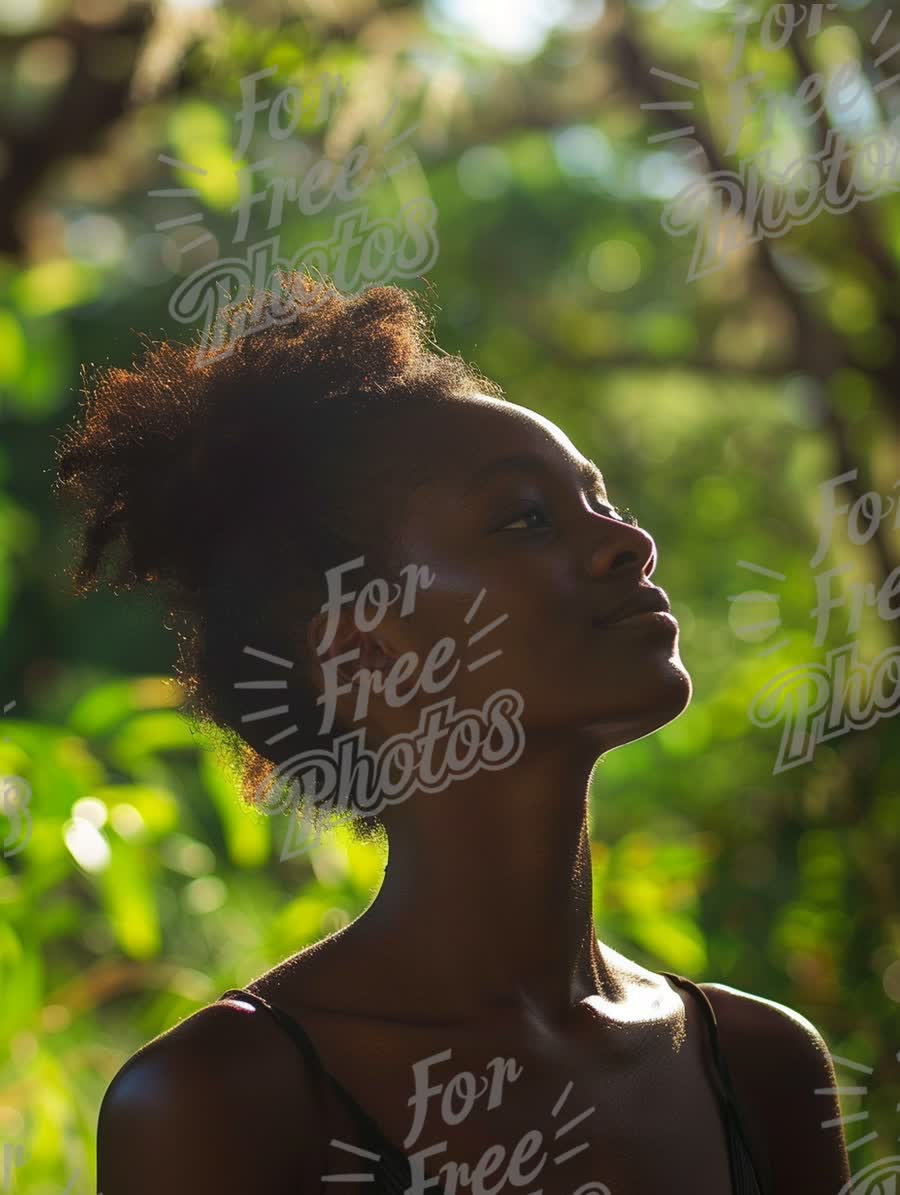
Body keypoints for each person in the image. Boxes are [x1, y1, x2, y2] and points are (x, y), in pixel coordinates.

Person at [55, 275, 851, 1194]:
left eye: (602, 501)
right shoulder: (225, 1104)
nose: (627, 543)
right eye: (526, 518)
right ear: (361, 641)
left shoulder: (763, 1072)